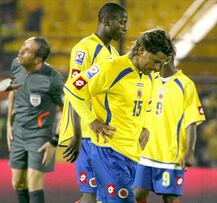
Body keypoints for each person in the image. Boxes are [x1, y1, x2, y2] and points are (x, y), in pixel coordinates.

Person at [64, 28, 175, 203]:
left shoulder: (150, 77)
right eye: (155, 61)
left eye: (161, 63)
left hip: (133, 153)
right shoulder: (109, 68)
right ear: (141, 50)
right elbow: (72, 88)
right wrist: (91, 120)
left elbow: (147, 105)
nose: (157, 68)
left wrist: (145, 126)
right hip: (109, 151)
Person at [58, 2, 128, 203]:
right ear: (107, 21)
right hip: (88, 135)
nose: (125, 27)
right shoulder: (84, 49)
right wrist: (77, 134)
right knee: (90, 194)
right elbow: (73, 90)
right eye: (122, 22)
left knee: (104, 195)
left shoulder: (115, 55)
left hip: (106, 135)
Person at [133, 56, 205, 203]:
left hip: (171, 156)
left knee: (169, 198)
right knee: (137, 194)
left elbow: (191, 121)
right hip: (145, 152)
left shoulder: (185, 84)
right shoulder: (150, 79)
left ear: (166, 58)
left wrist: (189, 152)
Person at [7, 36, 64, 203]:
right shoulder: (16, 64)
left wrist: (54, 141)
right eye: (23, 46)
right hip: (18, 133)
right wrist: (9, 125)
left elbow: (67, 110)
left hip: (40, 136)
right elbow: (13, 88)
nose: (20, 51)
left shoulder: (53, 79)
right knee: (18, 183)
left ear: (37, 59)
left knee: (34, 183)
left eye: (26, 51)